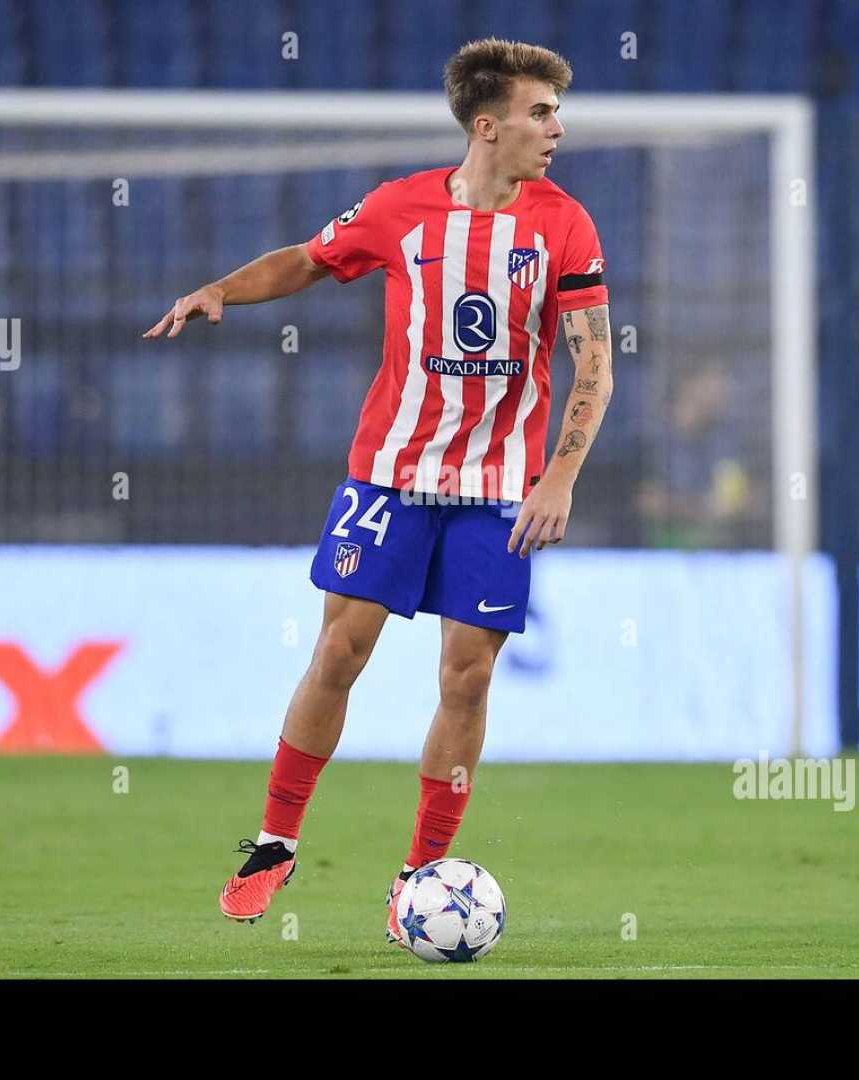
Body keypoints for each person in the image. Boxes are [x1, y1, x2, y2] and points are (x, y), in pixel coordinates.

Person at [145, 38, 612, 948]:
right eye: (540, 112)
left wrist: (559, 474)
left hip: (496, 487)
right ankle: (275, 841)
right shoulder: (401, 209)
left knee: (466, 674)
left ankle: (419, 876)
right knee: (340, 653)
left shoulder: (566, 226)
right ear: (489, 125)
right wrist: (222, 292)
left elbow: (594, 360)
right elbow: (312, 259)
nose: (555, 128)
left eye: (555, 112)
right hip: (392, 474)